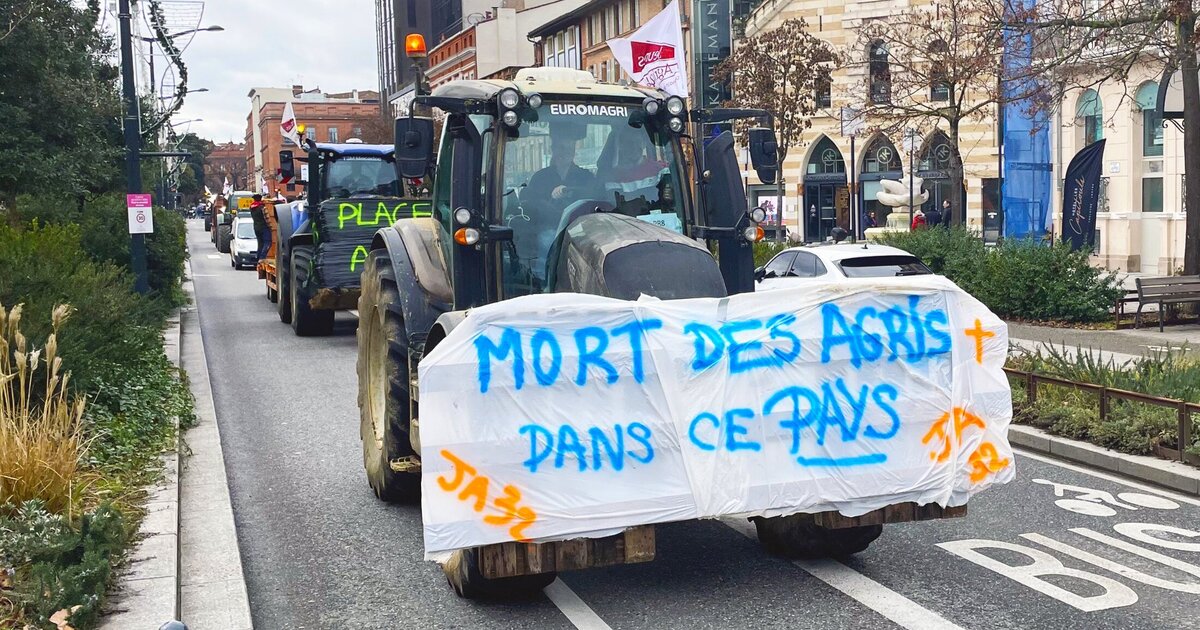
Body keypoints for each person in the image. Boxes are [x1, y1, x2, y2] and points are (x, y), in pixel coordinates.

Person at [248, 194, 270, 260]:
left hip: (256, 227)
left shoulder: (252, 207)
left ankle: (258, 257)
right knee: (267, 241)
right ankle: (262, 257)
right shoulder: (261, 207)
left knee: (260, 243)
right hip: (263, 227)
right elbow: (266, 217)